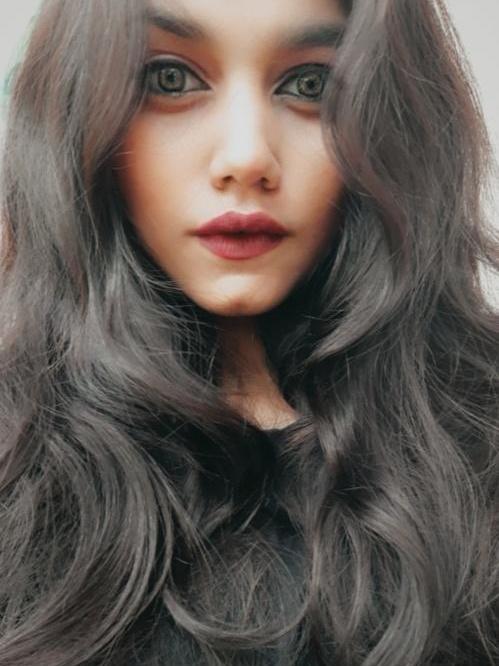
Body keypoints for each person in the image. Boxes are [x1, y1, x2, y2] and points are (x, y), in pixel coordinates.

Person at [0, 0, 497, 664]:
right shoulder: (17, 463)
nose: (246, 157)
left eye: (310, 84)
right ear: (79, 107)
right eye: (170, 79)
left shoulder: (479, 444)